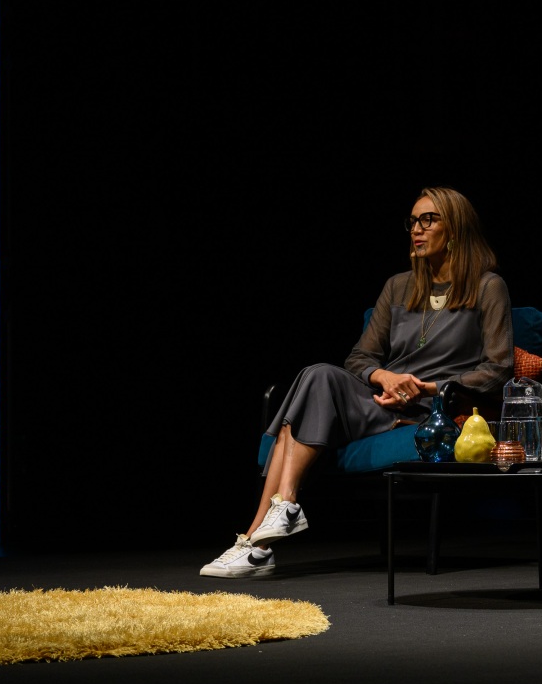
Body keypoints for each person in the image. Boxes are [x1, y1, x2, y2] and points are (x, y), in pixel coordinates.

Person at [202, 187, 514, 578]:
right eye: (412, 221)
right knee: (317, 372)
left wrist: (428, 388)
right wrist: (385, 376)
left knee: (290, 424)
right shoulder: (398, 286)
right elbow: (359, 359)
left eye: (428, 220)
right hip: (378, 403)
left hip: (430, 410)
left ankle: (255, 544)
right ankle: (285, 508)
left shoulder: (487, 287)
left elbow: (499, 367)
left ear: (455, 229)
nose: (416, 229)